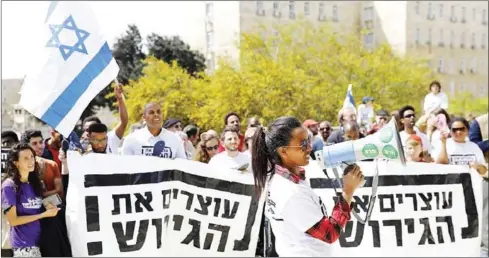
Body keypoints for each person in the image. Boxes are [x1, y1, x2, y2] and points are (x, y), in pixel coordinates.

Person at [251, 116, 364, 256]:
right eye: (303, 144)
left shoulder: (286, 180)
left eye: (309, 141)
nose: (310, 148)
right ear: (283, 151)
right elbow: (329, 234)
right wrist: (347, 192)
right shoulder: (289, 192)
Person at [2, 144, 59, 257]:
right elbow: (12, 220)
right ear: (15, 162)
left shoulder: (35, 183)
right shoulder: (8, 186)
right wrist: (43, 215)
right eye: (26, 158)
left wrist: (50, 206)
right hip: (23, 247)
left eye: (32, 157)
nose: (31, 161)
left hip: (43, 243)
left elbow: (37, 208)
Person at [121, 102, 186, 159]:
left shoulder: (175, 139)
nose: (156, 114)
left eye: (158, 112)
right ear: (144, 118)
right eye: (151, 112)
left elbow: (182, 167)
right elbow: (126, 168)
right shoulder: (131, 139)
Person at [80, 84, 128, 153]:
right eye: (86, 130)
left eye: (94, 128)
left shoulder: (111, 139)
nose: (87, 132)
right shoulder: (80, 149)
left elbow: (124, 122)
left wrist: (120, 99)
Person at [20, 130, 63, 198]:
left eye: (41, 142)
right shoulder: (20, 166)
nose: (40, 146)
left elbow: (59, 190)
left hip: (52, 207)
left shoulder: (52, 164)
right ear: (25, 147)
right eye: (34, 143)